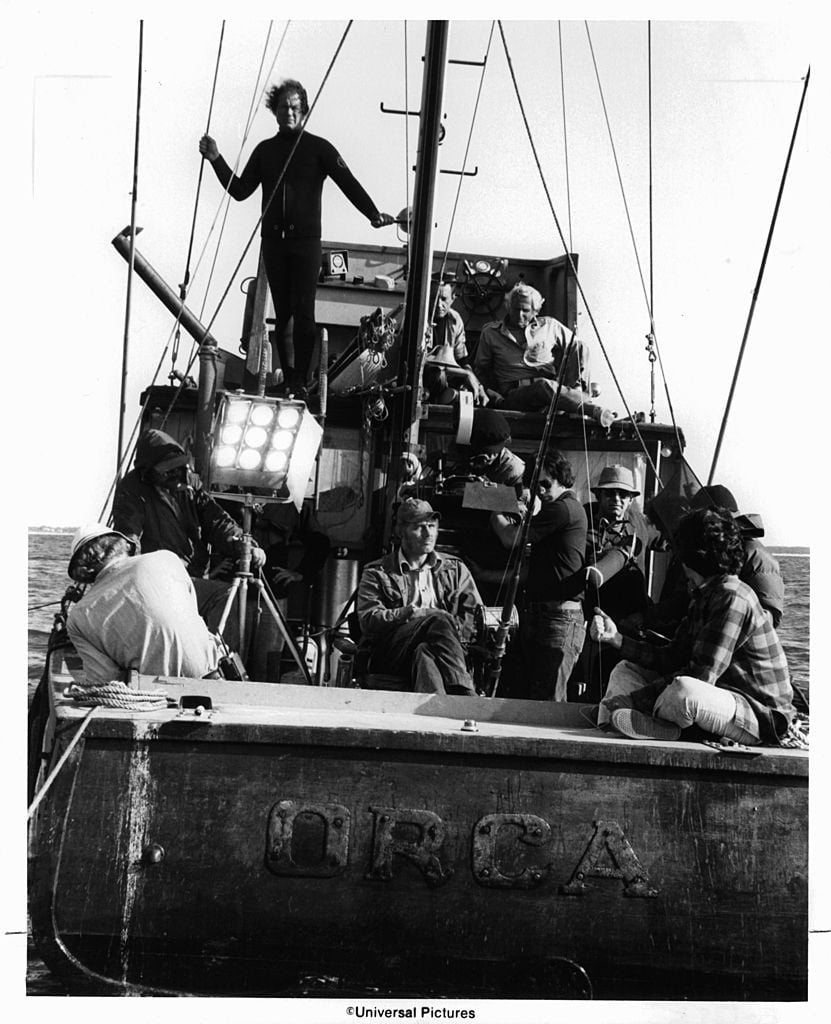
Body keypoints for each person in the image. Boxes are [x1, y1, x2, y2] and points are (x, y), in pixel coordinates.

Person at [199, 78, 394, 394]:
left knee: (304, 313)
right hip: (274, 244)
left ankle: (300, 381)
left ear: (303, 111)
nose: (288, 112)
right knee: (283, 314)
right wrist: (216, 159)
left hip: (305, 243)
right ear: (274, 111)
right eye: (283, 107)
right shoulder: (265, 151)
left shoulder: (319, 148)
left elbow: (348, 182)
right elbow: (239, 190)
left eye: (294, 107)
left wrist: (372, 213)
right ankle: (288, 378)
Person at [591, 507, 797, 745]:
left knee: (685, 691)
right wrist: (616, 639)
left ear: (691, 556)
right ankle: (612, 725)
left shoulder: (732, 598)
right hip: (723, 699)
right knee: (625, 668)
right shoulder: (704, 595)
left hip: (761, 716)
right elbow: (671, 657)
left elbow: (701, 676)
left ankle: (666, 727)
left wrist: (634, 700)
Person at [66, 523, 221, 686]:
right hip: (213, 674)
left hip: (159, 694)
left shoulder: (78, 617)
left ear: (83, 571)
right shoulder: (168, 558)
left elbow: (104, 681)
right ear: (123, 545)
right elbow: (190, 614)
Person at [356, 498, 482, 695]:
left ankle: (435, 714)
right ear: (400, 531)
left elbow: (474, 616)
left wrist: (453, 635)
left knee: (425, 652)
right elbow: (368, 620)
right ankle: (465, 694)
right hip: (393, 652)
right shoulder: (377, 572)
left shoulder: (455, 569)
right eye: (419, 527)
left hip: (446, 650)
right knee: (438, 618)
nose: (428, 534)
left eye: (432, 526)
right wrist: (411, 613)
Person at [490, 450, 588, 701]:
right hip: (543, 617)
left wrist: (494, 509)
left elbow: (510, 538)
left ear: (562, 479)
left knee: (547, 705)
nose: (541, 491)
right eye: (535, 485)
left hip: (559, 620)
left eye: (546, 484)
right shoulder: (561, 509)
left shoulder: (561, 509)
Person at [643, 484, 784, 635]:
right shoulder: (704, 554)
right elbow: (685, 600)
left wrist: (719, 629)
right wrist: (648, 617)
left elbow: (767, 618)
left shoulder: (755, 556)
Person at [473, 282, 615, 426]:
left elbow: (577, 347)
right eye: (515, 309)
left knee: (580, 347)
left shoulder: (550, 326)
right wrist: (493, 396)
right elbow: (481, 370)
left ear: (535, 311)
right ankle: (589, 409)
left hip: (551, 396)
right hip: (515, 396)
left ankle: (578, 397)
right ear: (508, 307)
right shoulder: (491, 333)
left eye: (525, 310)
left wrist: (575, 382)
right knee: (542, 386)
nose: (519, 315)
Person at [423, 280, 487, 405]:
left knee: (476, 390)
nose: (438, 304)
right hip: (424, 378)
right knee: (438, 375)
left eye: (443, 299)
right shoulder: (418, 319)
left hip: (446, 377)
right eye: (433, 298)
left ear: (453, 298)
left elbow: (463, 361)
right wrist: (465, 374)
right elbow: (421, 363)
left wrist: (478, 386)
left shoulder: (455, 320)